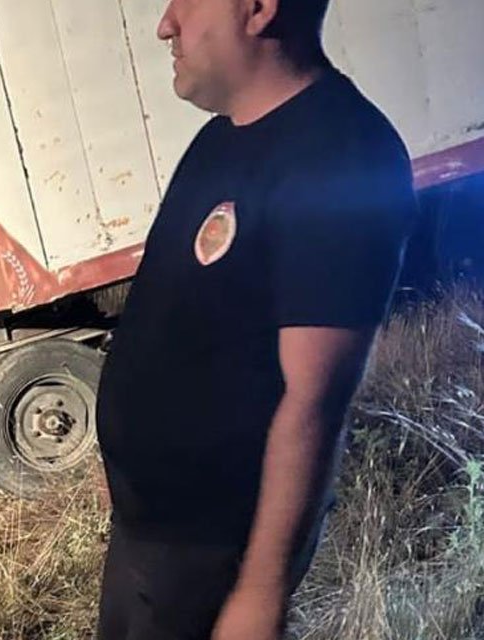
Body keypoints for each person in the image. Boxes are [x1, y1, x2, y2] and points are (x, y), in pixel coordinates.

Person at [93, 1, 417, 639]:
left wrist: (260, 593)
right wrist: (126, 471)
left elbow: (313, 403)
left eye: (186, 0)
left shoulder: (342, 155)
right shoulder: (222, 136)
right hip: (147, 536)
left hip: (215, 553)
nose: (165, 24)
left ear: (260, 8)